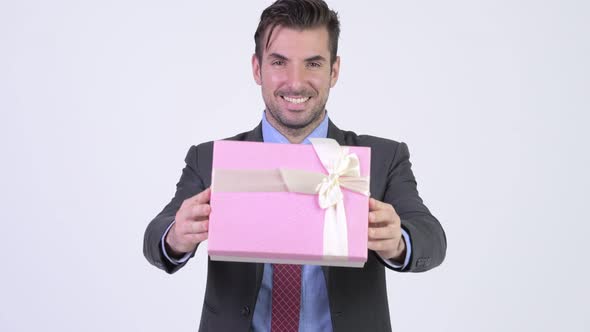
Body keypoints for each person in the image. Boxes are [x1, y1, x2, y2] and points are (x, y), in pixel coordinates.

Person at [143, 0, 446, 331]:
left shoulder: (383, 157)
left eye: (313, 63)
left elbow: (432, 237)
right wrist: (177, 235)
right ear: (257, 69)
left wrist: (399, 242)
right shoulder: (211, 158)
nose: (295, 82)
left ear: (334, 70)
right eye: (279, 62)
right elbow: (156, 236)